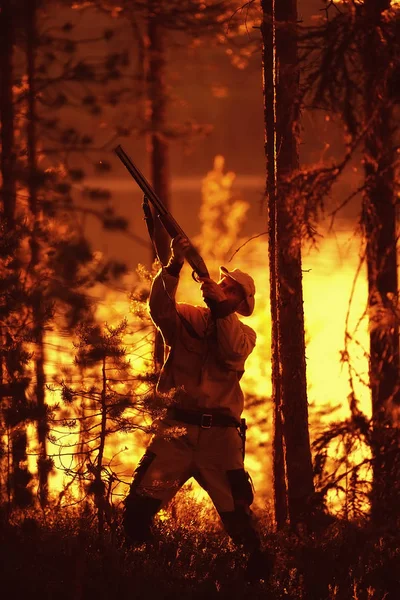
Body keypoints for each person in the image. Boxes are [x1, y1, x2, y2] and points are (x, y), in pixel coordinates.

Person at [123, 235, 272, 582]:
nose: (223, 288)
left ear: (240, 303)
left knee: (240, 522)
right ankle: (146, 578)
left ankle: (258, 583)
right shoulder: (189, 316)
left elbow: (231, 349)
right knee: (137, 512)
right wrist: (174, 263)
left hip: (220, 441)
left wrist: (221, 310)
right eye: (223, 283)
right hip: (176, 434)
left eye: (231, 289)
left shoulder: (245, 334)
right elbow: (159, 309)